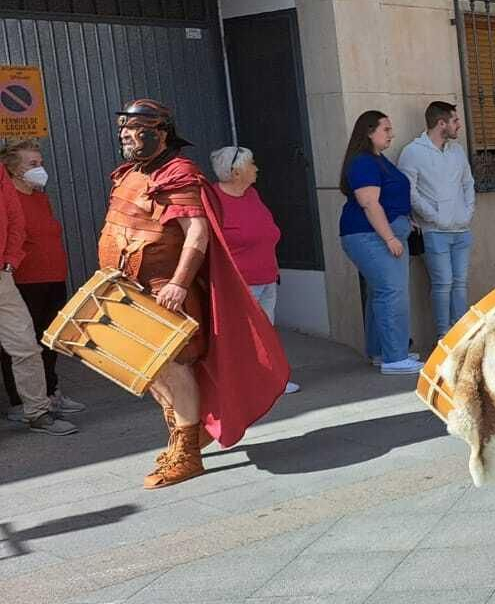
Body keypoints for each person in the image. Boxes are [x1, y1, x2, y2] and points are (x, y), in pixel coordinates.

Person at [99, 99, 288, 487]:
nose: (129, 138)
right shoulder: (131, 174)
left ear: (162, 131)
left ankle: (187, 451)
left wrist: (178, 283)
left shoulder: (179, 173)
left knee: (173, 365)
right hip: (129, 286)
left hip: (164, 288)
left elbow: (197, 234)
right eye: (125, 131)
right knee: (151, 368)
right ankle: (183, 435)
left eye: (139, 130)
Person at [0, 140, 86, 421]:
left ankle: (45, 399)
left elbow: (30, 229)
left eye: (41, 163)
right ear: (13, 170)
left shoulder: (38, 196)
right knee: (25, 341)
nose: (40, 169)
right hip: (25, 280)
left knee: (41, 341)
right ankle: (21, 402)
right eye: (32, 164)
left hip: (41, 277)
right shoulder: (10, 192)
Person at [211, 146, 299, 395]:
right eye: (251, 165)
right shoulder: (214, 198)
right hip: (239, 282)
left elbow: (264, 231)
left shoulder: (251, 194)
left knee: (265, 333)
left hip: (267, 276)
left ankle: (269, 380)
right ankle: (243, 386)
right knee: (242, 336)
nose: (256, 169)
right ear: (236, 172)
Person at [338, 110, 421, 375]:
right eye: (385, 129)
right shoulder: (364, 162)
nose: (391, 133)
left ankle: (381, 351)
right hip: (370, 236)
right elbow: (369, 203)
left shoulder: (376, 159)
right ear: (369, 132)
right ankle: (395, 358)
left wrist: (404, 222)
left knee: (381, 292)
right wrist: (389, 237)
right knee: (392, 292)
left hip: (379, 234)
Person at [398, 101, 475, 341]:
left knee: (460, 282)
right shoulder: (413, 152)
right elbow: (408, 191)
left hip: (462, 229)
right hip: (434, 231)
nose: (459, 125)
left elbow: (468, 182)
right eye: (455, 121)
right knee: (443, 284)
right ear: (441, 123)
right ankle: (444, 335)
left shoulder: (457, 150)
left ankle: (461, 334)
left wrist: (468, 211)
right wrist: (433, 216)